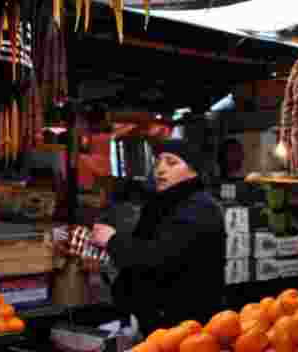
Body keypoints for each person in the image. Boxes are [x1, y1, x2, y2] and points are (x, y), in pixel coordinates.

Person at [89, 139, 226, 335]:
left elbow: (157, 256)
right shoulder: (164, 203)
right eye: (158, 162)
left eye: (171, 162)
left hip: (186, 326)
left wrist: (112, 240)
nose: (160, 169)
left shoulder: (199, 208)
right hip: (158, 321)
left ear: (193, 171)